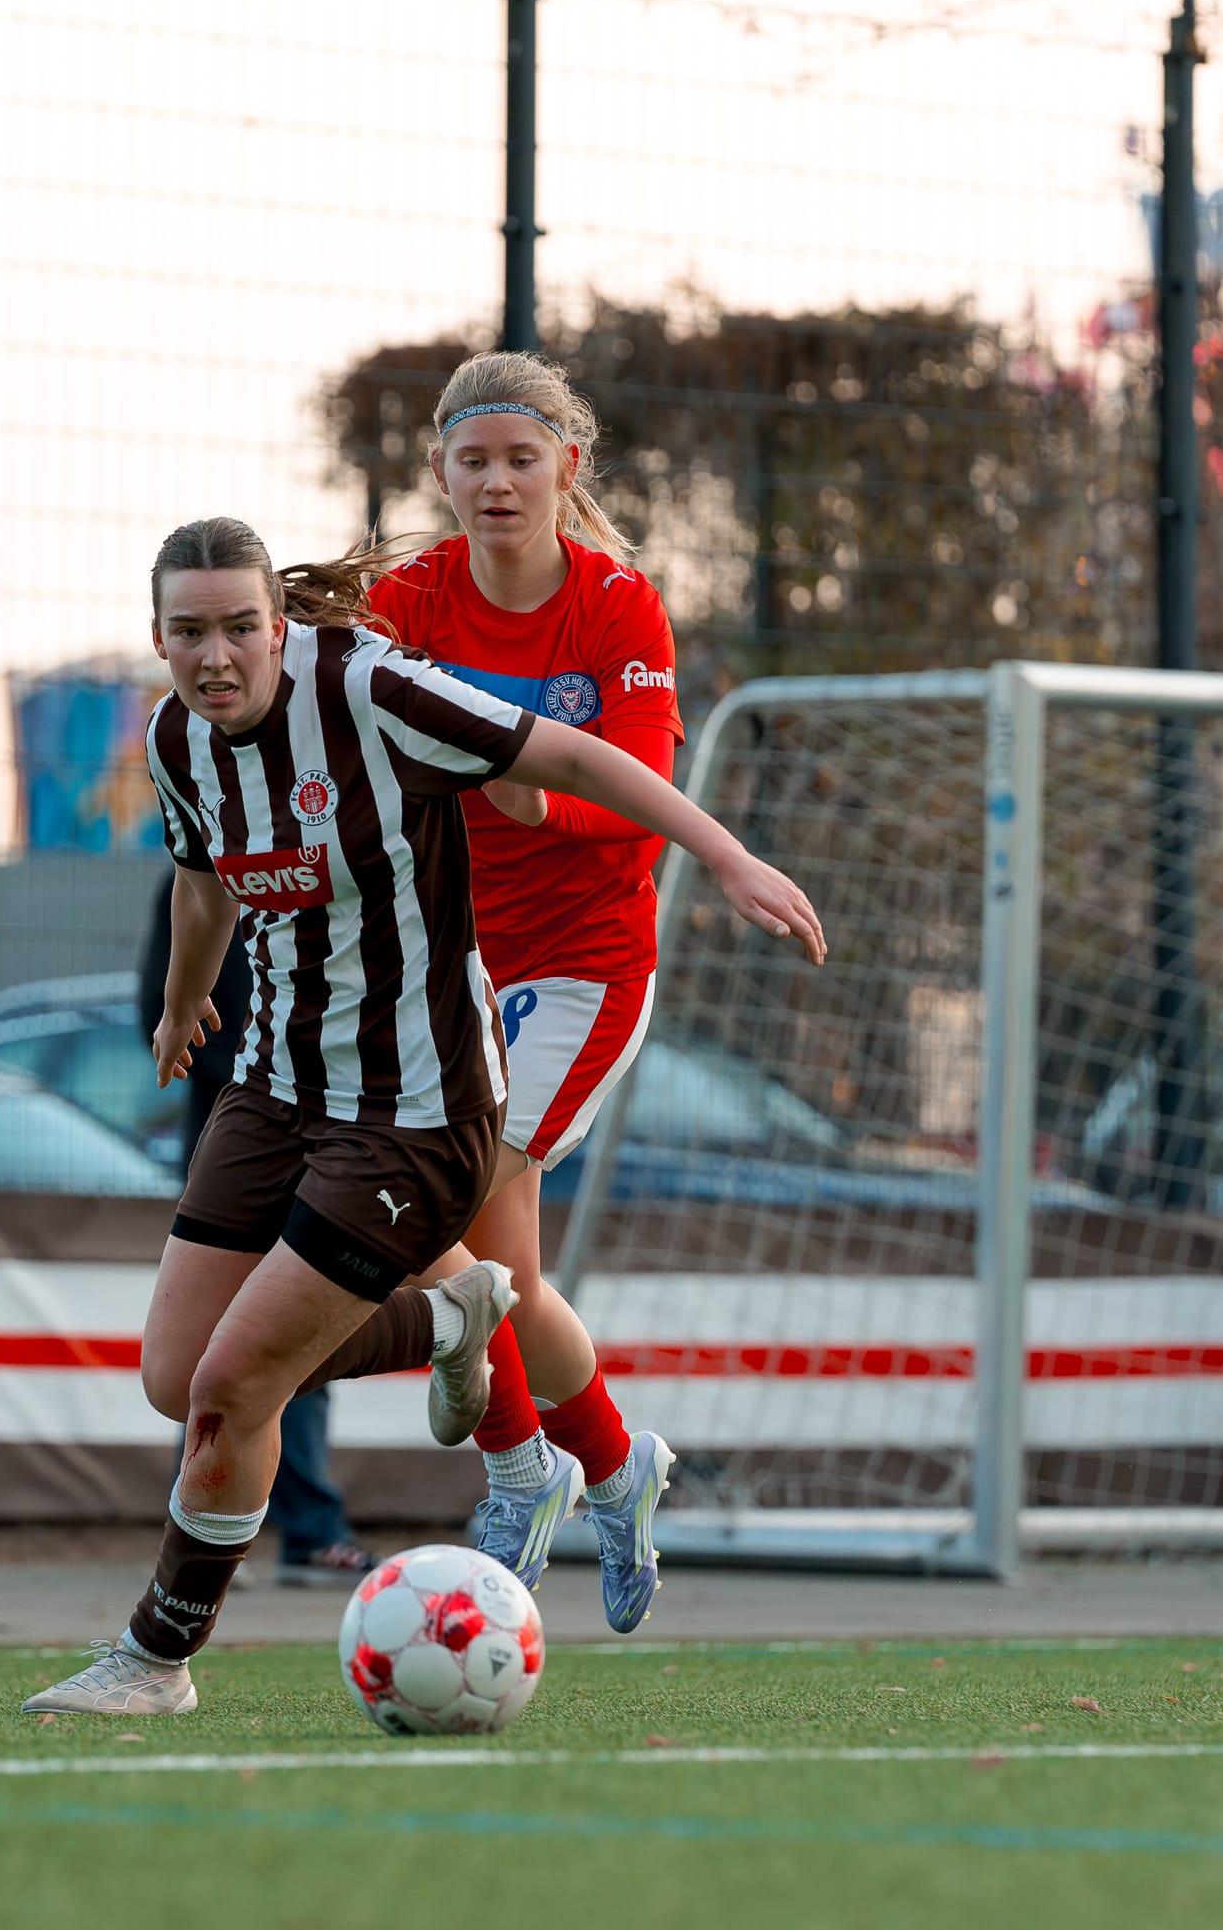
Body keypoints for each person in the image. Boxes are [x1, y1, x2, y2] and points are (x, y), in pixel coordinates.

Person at [22, 513, 821, 1718]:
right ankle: (450, 1320)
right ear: (159, 640)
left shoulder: (372, 690)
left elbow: (575, 756)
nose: (217, 656)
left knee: (238, 1388)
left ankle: (153, 1659)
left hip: (413, 1110)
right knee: (177, 1377)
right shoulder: (178, 738)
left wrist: (722, 854)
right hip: (271, 1085)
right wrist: (186, 1009)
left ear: (278, 626)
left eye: (241, 627)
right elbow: (199, 884)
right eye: (189, 633)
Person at [368, 351, 696, 1630]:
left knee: (452, 1202)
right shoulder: (408, 600)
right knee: (502, 1273)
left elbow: (641, 806)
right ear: (442, 473)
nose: (496, 481)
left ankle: (519, 1473)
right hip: (454, 963)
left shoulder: (618, 606)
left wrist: (528, 794)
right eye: (471, 459)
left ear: (570, 464)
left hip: (583, 968)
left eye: (521, 457)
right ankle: (614, 1467)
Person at [140, 871, 374, 1588]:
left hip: (330, 1130)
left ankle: (280, 1527)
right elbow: (165, 1006)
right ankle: (232, 1523)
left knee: (294, 1322)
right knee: (211, 1348)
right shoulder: (198, 870)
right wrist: (260, 1078)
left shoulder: (332, 857)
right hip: (239, 1135)